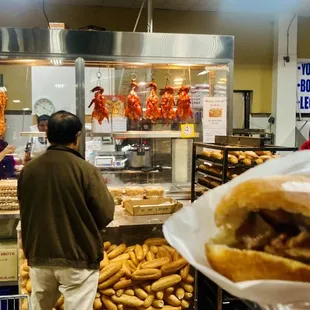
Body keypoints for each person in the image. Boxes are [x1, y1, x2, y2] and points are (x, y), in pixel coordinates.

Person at [18, 111, 115, 310]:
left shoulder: (29, 170)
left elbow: (25, 206)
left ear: (48, 136)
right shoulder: (86, 170)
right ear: (76, 137)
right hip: (78, 256)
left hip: (39, 253)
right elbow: (105, 213)